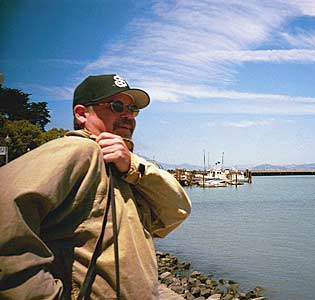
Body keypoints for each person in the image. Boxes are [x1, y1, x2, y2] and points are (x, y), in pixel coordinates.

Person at [0, 74, 192, 299]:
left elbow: (176, 211)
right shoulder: (81, 151)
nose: (128, 115)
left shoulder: (122, 170)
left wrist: (132, 166)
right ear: (82, 113)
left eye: (132, 109)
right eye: (117, 106)